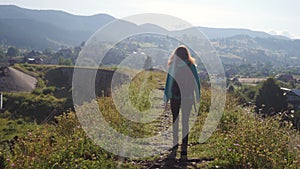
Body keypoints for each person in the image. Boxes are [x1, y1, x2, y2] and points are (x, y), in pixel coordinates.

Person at [164, 45, 200, 160]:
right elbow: (197, 82)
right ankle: (184, 148)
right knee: (185, 121)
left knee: (175, 120)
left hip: (175, 97)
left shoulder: (173, 66)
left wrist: (166, 96)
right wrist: (197, 96)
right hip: (188, 97)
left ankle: (175, 144)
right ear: (187, 54)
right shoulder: (191, 65)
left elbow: (169, 82)